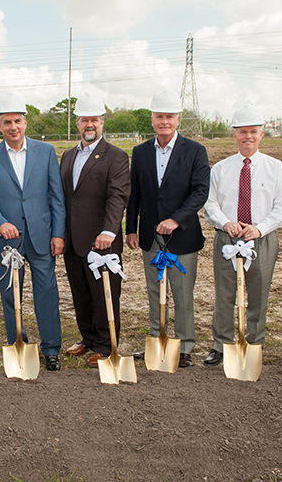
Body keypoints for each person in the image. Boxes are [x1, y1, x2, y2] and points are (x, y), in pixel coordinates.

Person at [0, 92, 66, 371]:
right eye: (7, 122)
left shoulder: (46, 152)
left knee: (47, 292)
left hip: (41, 236)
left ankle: (51, 348)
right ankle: (18, 343)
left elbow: (57, 197)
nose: (13, 127)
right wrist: (0, 223)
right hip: (7, 240)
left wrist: (58, 234)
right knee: (9, 295)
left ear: (25, 123)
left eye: (17, 121)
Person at [202, 105, 282, 367]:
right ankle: (221, 345)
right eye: (243, 132)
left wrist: (259, 228)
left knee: (258, 294)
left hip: (261, 239)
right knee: (224, 294)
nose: (248, 136)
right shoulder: (220, 169)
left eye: (253, 131)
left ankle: (254, 344)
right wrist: (225, 222)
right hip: (227, 238)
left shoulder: (277, 169)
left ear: (262, 134)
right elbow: (210, 203)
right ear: (234, 135)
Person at [125, 89, 209, 368]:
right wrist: (132, 229)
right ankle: (156, 339)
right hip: (151, 237)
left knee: (182, 293)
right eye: (159, 116)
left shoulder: (195, 151)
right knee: (154, 291)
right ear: (152, 119)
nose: (164, 121)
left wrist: (176, 219)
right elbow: (135, 194)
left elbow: (200, 191)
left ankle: (184, 346)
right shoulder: (140, 152)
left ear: (178, 119)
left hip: (182, 236)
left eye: (169, 116)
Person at [60, 92, 130, 367]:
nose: (89, 124)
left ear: (102, 122)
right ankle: (88, 338)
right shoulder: (68, 156)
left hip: (102, 240)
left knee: (104, 295)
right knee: (80, 292)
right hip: (72, 239)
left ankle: (105, 344)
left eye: (95, 120)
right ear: (77, 122)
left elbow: (117, 196)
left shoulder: (116, 156)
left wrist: (109, 231)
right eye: (84, 120)